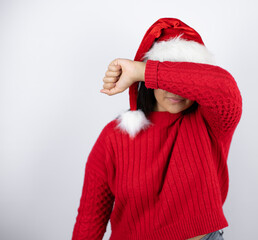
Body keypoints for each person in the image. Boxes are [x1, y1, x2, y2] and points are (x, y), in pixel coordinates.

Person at [72, 17, 243, 240]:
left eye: (181, 79)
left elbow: (224, 86)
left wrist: (140, 71)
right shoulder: (114, 136)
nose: (177, 92)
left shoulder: (210, 122)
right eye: (165, 81)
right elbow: (90, 218)